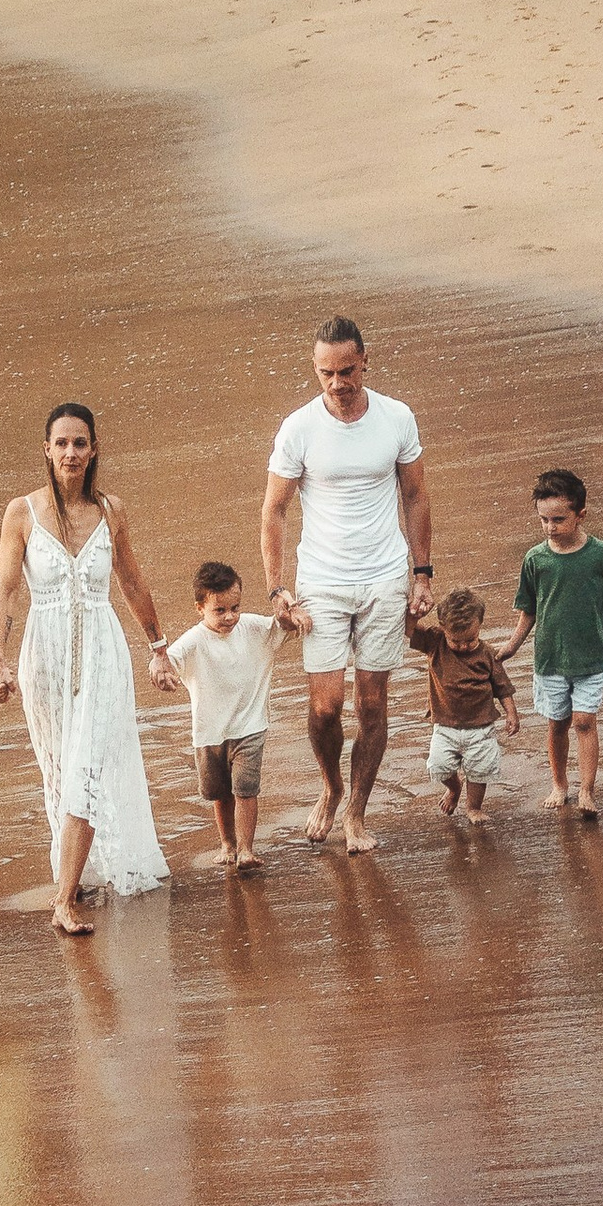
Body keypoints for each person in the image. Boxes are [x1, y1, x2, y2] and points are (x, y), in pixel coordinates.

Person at [0, 401, 174, 934]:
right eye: (61, 443)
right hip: (44, 659)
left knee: (87, 770)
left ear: (94, 450)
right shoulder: (21, 513)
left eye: (80, 443)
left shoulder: (111, 511)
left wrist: (158, 647)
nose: (71, 452)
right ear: (46, 450)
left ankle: (64, 900)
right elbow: (6, 591)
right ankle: (81, 876)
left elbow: (131, 581)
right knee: (58, 771)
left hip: (102, 653)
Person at [258, 316, 433, 855]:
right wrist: (276, 589)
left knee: (372, 705)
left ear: (365, 362)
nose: (337, 383)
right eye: (326, 373)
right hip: (322, 580)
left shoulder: (396, 417)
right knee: (326, 707)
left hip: (384, 577)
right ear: (316, 370)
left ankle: (356, 811)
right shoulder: (299, 428)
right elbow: (274, 510)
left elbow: (415, 496)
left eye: (347, 371)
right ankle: (331, 786)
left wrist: (422, 574)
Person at [508, 467, 603, 821]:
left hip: (594, 654)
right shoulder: (536, 560)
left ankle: (587, 789)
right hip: (550, 657)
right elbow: (529, 611)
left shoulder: (600, 554)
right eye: (544, 520)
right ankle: (560, 784)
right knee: (557, 723)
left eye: (559, 519)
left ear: (581, 515)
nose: (550, 527)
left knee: (583, 720)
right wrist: (512, 646)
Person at [166, 559, 290, 872]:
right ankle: (227, 845)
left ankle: (246, 849)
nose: (230, 616)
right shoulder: (193, 641)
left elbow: (283, 625)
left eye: (235, 607)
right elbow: (168, 662)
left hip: (250, 726)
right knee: (220, 794)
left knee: (246, 790)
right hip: (209, 732)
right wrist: (160, 670)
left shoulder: (252, 627)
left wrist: (293, 612)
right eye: (219, 610)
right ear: (200, 608)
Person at [407, 583, 522, 825]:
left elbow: (502, 687)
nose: (463, 646)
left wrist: (511, 713)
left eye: (471, 639)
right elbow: (409, 630)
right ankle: (454, 788)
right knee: (439, 765)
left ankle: (473, 807)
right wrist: (414, 613)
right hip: (444, 725)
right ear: (443, 628)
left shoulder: (487, 654)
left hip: (481, 727)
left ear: (480, 626)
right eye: (456, 641)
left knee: (480, 770)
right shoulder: (435, 643)